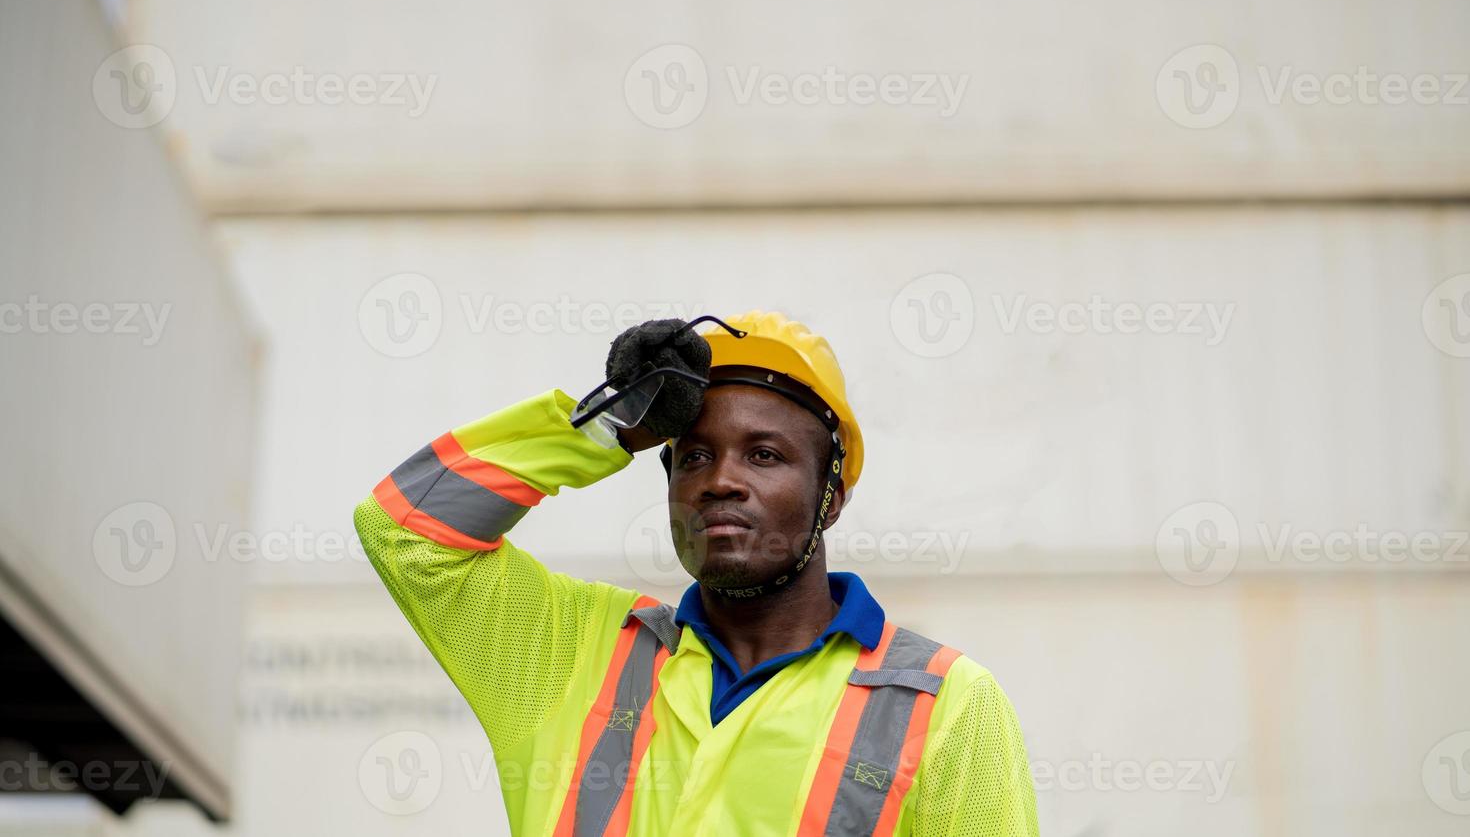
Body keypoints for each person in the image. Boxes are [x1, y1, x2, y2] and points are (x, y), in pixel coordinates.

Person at [354, 309, 1039, 835]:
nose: (722, 482)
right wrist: (608, 425)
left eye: (764, 455)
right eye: (694, 457)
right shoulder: (572, 653)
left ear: (831, 498)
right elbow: (405, 527)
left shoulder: (942, 704)